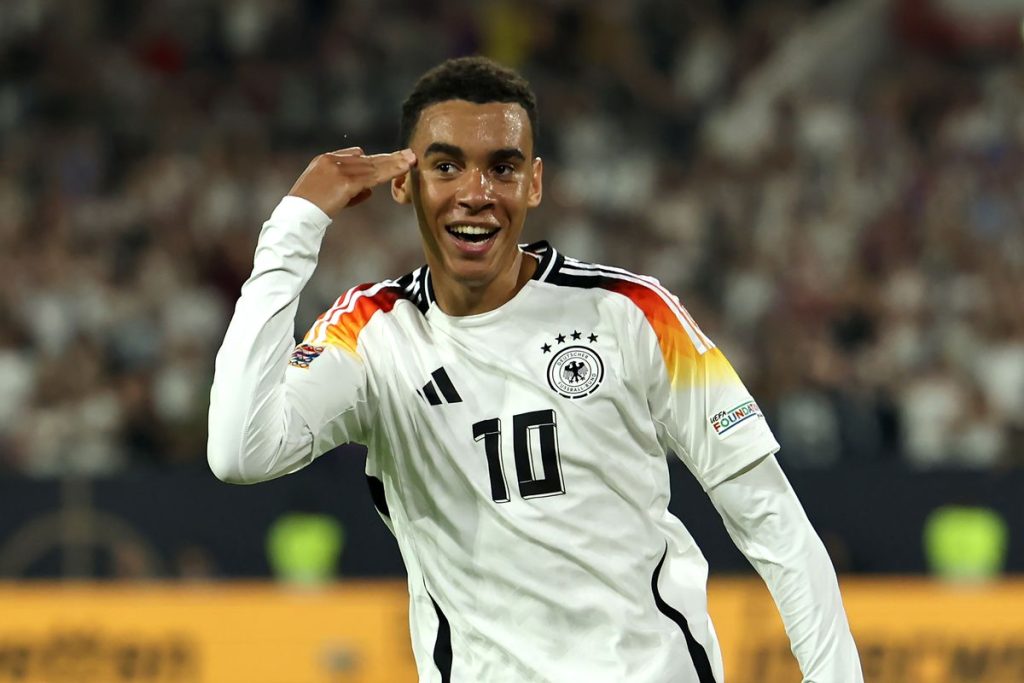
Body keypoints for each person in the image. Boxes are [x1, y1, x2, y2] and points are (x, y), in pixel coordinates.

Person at [208, 56, 862, 682]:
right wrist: (295, 226)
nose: (476, 193)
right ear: (403, 182)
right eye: (446, 166)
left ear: (535, 183)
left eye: (503, 167)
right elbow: (240, 450)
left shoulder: (630, 312)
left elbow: (768, 512)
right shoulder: (373, 334)